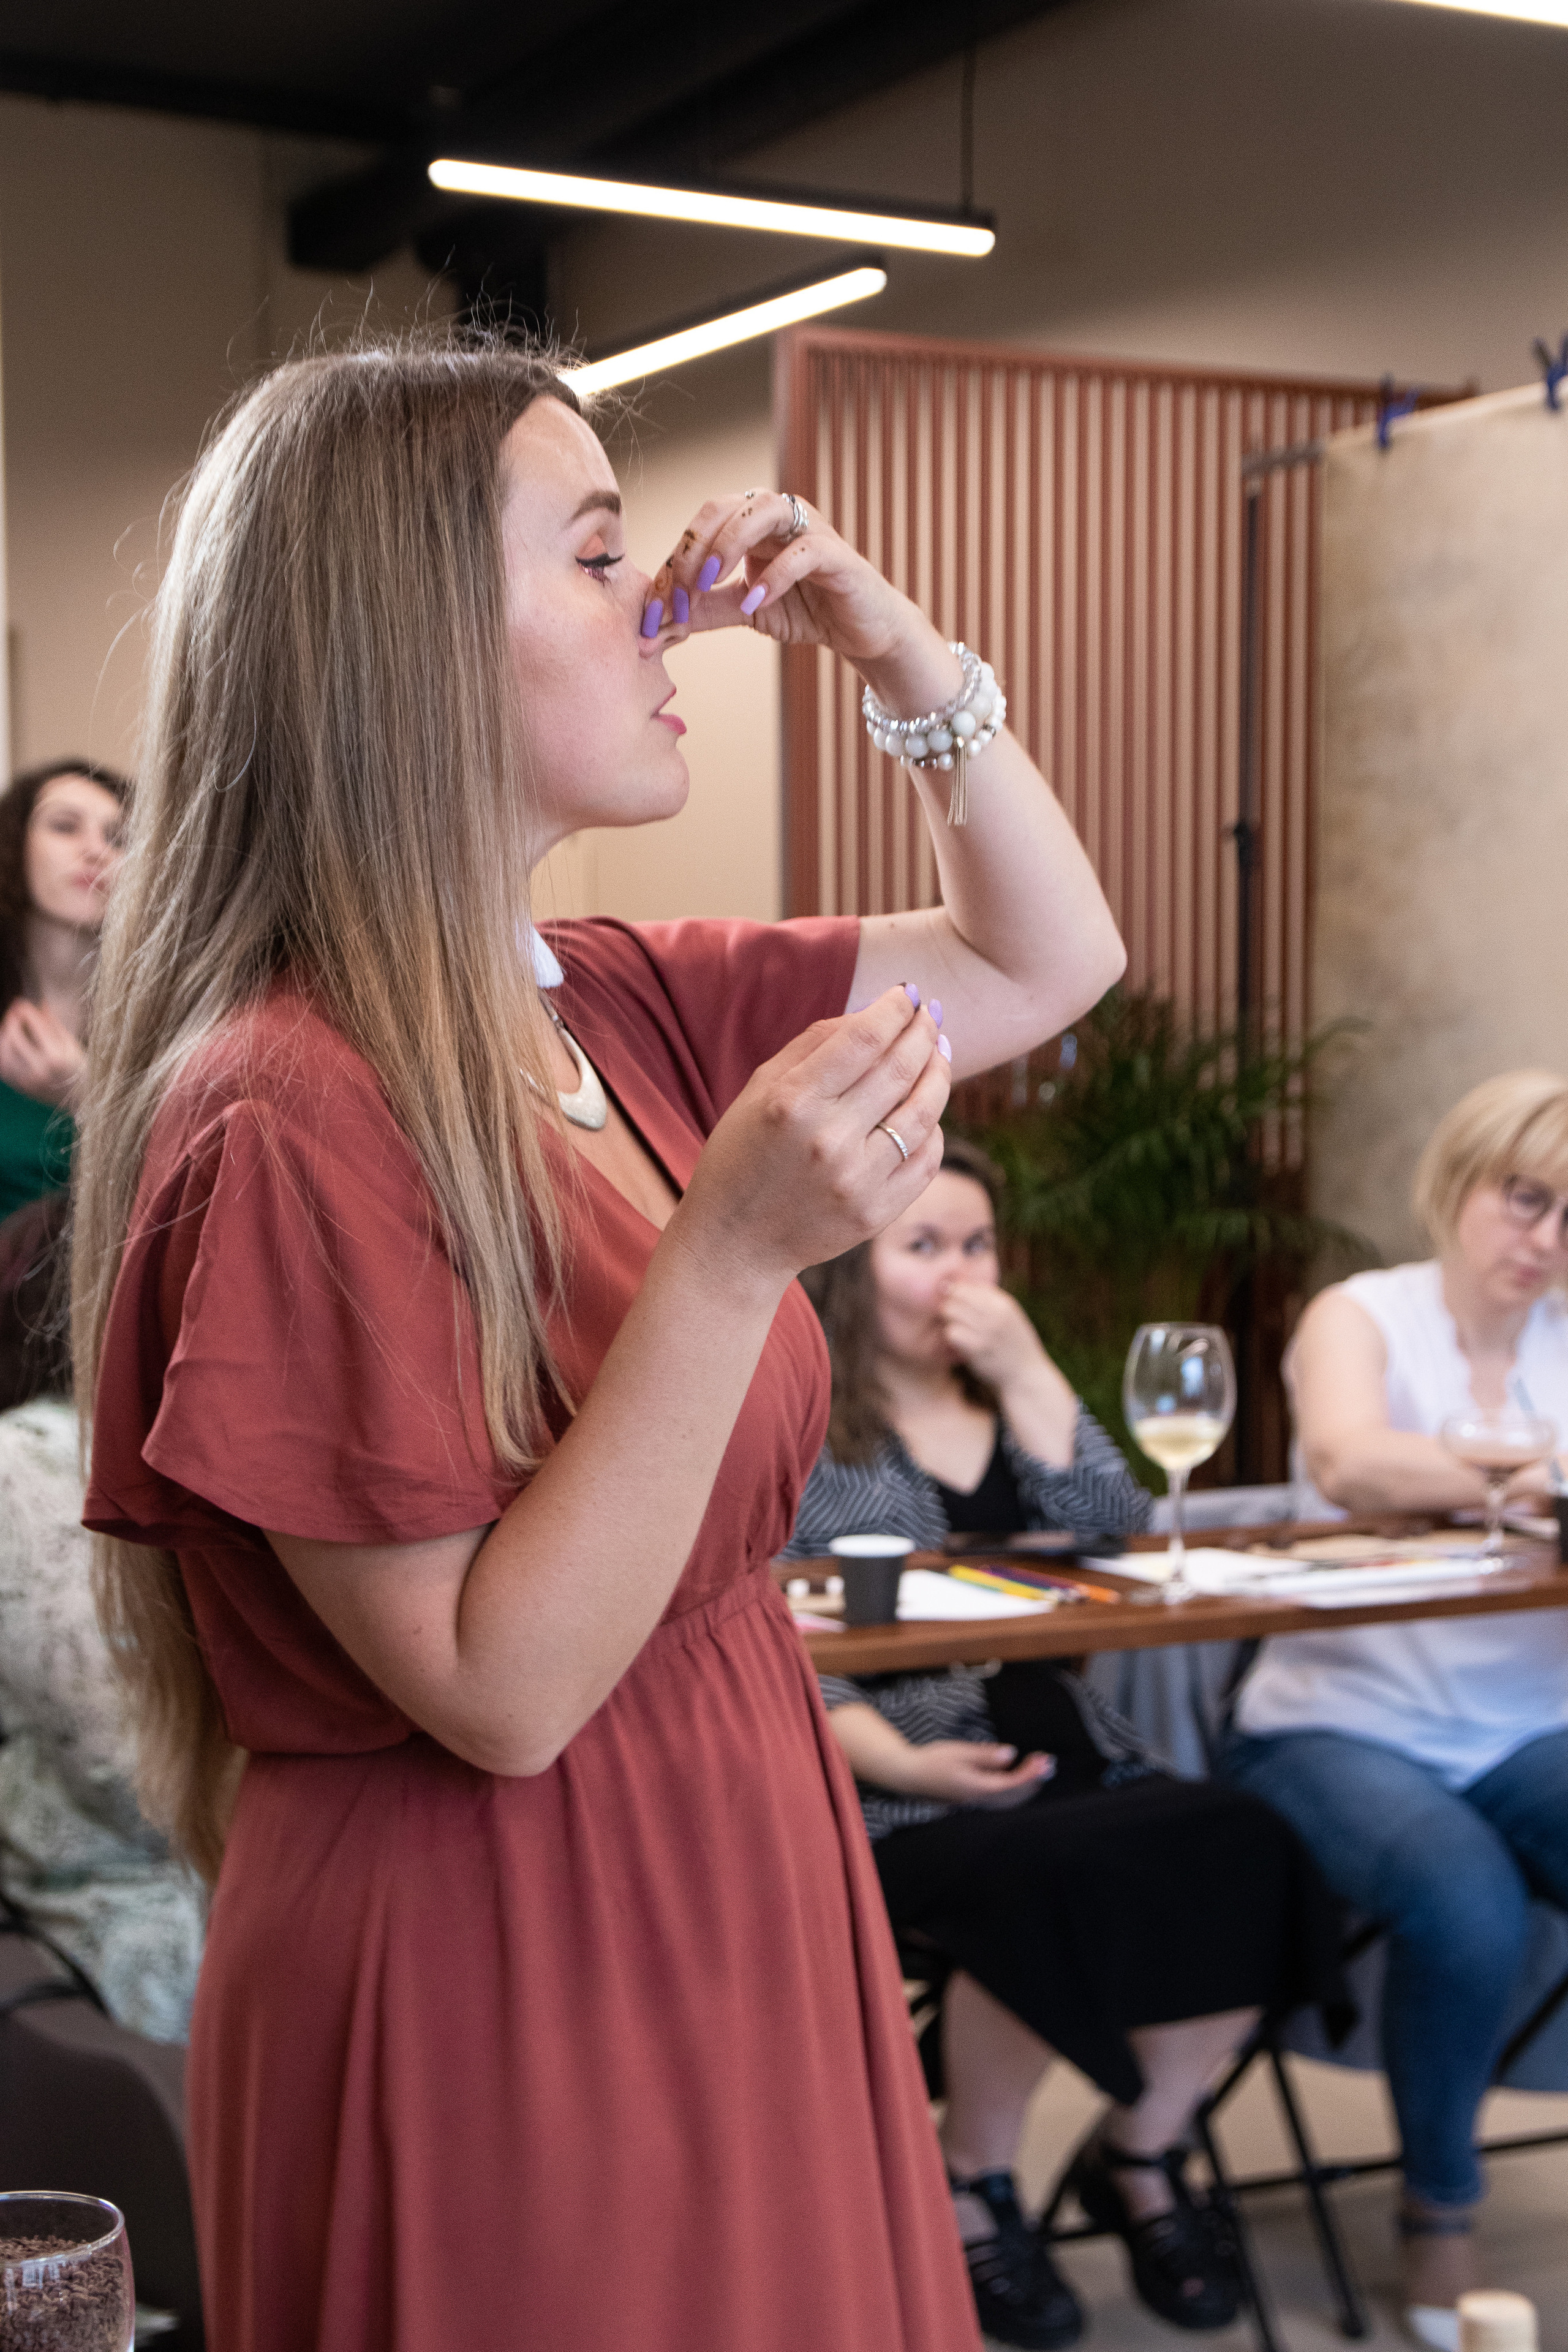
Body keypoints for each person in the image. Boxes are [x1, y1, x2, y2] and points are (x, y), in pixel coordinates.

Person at [74, 341, 1128, 2352]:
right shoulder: (284, 1109)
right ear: (407, 647)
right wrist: (729, 1266)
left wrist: (894, 646)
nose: (664, 616)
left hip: (736, 1858)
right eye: (593, 558)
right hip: (502, 1949)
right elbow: (498, 1690)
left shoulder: (614, 1004)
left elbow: (1046, 958)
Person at [785, 1139, 1346, 2346]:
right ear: (847, 1262)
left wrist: (1030, 1368)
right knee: (1050, 1876)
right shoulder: (796, 1421)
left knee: (1242, 1841)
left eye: (974, 1245)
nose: (955, 1274)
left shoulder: (1012, 1400)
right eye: (920, 1245)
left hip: (1080, 1759)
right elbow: (758, 1635)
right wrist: (894, 1763)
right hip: (899, 1783)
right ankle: (971, 2180)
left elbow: (1120, 1528)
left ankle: (1140, 2152)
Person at [1223, 1069, 1568, 2348]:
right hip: (1331, 1727)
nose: (1542, 1240)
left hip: (1521, 1729)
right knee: (1466, 1906)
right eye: (1522, 1200)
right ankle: (1440, 2217)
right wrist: (1529, 1472)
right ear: (1459, 1185)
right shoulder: (1359, 1314)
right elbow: (1348, 1457)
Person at [0, 1193, 205, 2042]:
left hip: (237, 1895)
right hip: (125, 1947)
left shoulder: (181, 1447)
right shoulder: (25, 1467)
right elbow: (125, 1777)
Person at [0, 760, 127, 1219]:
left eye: (118, 839)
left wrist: (88, 1095)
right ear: (14, 847)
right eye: (65, 827)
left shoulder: (163, 1026)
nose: (96, 851)